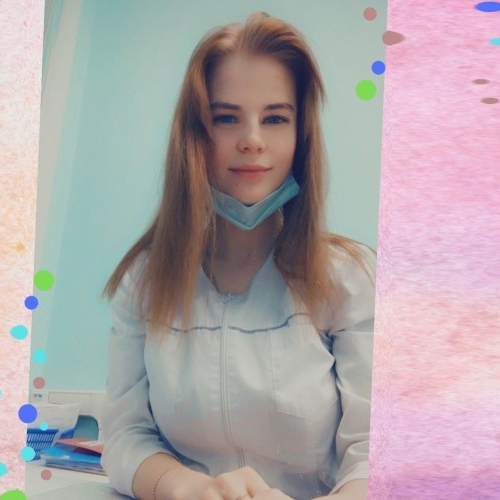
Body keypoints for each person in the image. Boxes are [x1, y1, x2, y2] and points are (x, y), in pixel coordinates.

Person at [101, 12, 375, 500]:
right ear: (195, 135)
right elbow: (124, 436)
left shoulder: (351, 280)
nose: (252, 139)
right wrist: (187, 488)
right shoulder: (143, 281)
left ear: (301, 135)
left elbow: (376, 455)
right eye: (226, 118)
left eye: (275, 118)